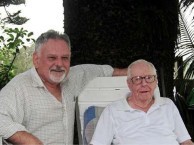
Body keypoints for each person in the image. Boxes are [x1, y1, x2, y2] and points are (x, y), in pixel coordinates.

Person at [0, 30, 127, 145]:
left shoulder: (72, 78)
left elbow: (103, 71)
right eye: (52, 58)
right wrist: (30, 141)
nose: (59, 64)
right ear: (36, 59)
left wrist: (139, 73)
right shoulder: (19, 86)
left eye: (65, 58)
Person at [90, 59, 194, 145]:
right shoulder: (113, 110)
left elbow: (186, 141)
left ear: (156, 81)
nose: (144, 83)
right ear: (129, 84)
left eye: (149, 78)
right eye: (137, 79)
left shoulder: (168, 105)